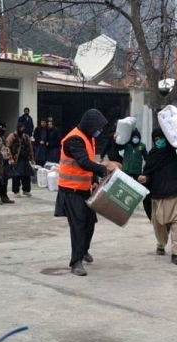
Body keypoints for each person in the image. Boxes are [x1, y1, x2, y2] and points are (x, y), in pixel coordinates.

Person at [54, 109, 119, 277]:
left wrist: (95, 179)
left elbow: (88, 164)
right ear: (90, 125)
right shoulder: (74, 139)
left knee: (90, 222)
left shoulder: (88, 137)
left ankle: (83, 250)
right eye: (99, 127)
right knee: (78, 226)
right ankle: (76, 262)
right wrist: (105, 168)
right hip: (70, 190)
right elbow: (83, 162)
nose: (101, 131)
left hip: (84, 189)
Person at [138, 128, 177, 266]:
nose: (159, 141)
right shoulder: (152, 156)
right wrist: (145, 179)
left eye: (161, 138)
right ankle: (161, 243)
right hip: (158, 196)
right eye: (156, 139)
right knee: (159, 224)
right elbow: (149, 174)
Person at [7, 123, 35, 198]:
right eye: (20, 128)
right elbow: (8, 147)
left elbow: (30, 148)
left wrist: (32, 158)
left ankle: (26, 190)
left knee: (26, 175)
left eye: (23, 128)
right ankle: (16, 191)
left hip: (25, 159)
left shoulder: (26, 137)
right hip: (16, 159)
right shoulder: (12, 136)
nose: (22, 129)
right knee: (16, 176)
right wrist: (11, 158)